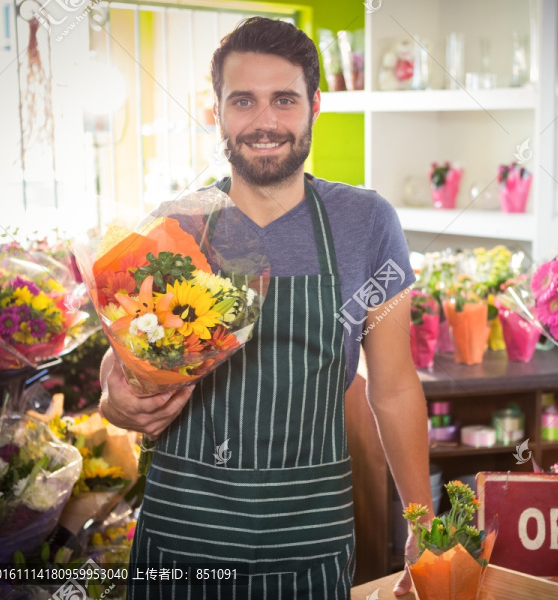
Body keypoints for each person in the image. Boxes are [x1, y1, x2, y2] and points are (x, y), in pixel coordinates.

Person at [99, 16, 433, 599]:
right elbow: (122, 366)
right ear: (219, 111)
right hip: (184, 538)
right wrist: (119, 401)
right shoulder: (178, 225)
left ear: (315, 105)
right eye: (243, 101)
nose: (265, 122)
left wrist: (422, 522)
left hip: (309, 541)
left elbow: (395, 387)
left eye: (284, 99)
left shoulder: (365, 223)